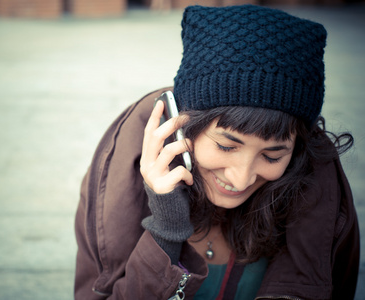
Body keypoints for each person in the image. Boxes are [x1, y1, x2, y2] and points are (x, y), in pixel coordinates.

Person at [74, 4, 360, 300]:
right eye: (226, 146)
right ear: (184, 126)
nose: (240, 179)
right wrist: (165, 231)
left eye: (273, 155)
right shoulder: (119, 176)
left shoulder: (321, 196)